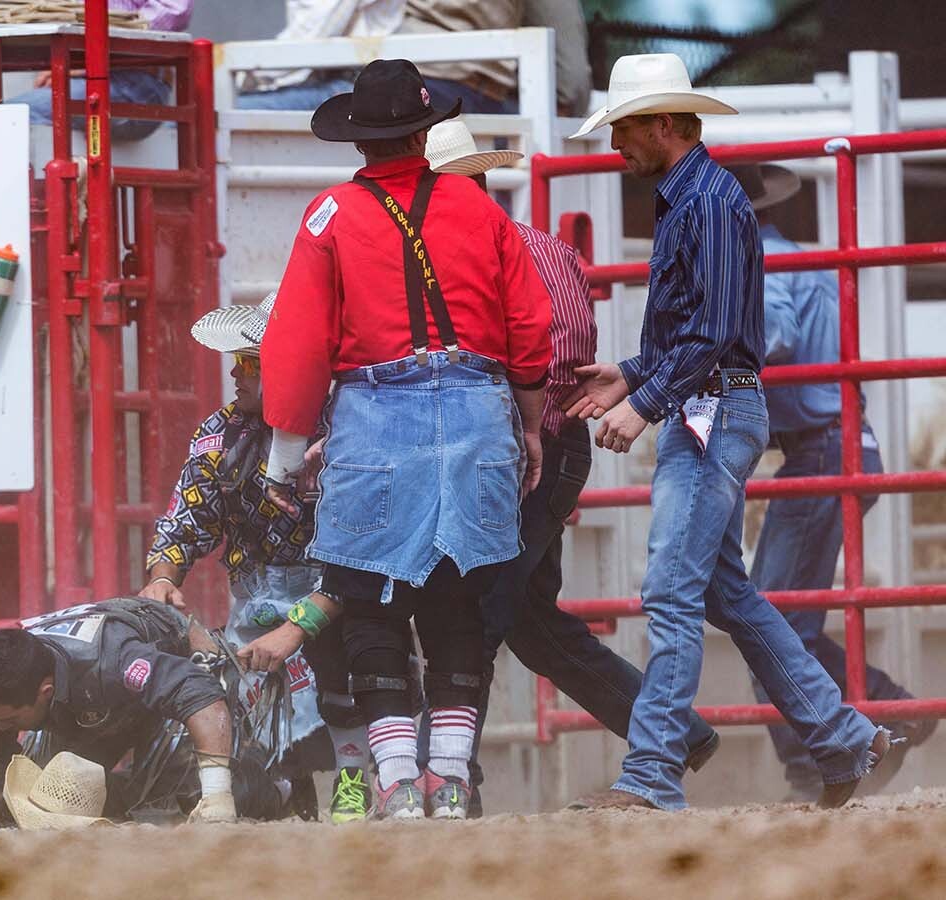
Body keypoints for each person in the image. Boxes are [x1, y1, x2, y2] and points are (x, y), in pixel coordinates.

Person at [563, 53, 886, 811]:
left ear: (664, 124)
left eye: (626, 129)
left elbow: (709, 332)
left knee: (671, 593)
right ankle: (843, 737)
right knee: (721, 591)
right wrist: (633, 374)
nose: (618, 145)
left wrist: (643, 398)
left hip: (708, 408)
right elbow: (709, 330)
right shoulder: (703, 198)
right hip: (716, 405)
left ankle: (650, 776)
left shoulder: (700, 205)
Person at [259, 59, 553, 821]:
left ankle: (394, 778)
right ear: (426, 132)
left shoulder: (329, 216)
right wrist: (526, 423)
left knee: (371, 601)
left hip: (375, 415)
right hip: (479, 410)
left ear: (358, 141)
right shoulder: (481, 212)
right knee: (460, 600)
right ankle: (449, 777)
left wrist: (285, 458)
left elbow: (296, 345)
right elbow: (528, 325)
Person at [725, 162, 936, 801]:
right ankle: (889, 712)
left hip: (820, 450)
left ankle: (824, 760)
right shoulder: (791, 254)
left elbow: (779, 333)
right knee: (789, 620)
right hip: (833, 444)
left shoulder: (759, 257)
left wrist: (710, 353)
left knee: (771, 621)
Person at [141, 293, 373, 824]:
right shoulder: (219, 437)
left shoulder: (343, 431)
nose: (236, 375)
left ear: (292, 369)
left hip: (336, 594)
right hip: (257, 599)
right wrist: (162, 577)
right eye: (237, 362)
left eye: (250, 364)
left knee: (341, 683)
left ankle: (353, 784)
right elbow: (184, 521)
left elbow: (364, 543)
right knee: (249, 689)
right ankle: (286, 789)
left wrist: (310, 615)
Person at [0, 598, 272, 828]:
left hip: (169, 672)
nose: (2, 727)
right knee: (41, 801)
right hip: (86, 709)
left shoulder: (115, 660)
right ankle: (121, 794)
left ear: (44, 694)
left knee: (191, 800)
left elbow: (199, 695)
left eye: (11, 721)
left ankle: (272, 783)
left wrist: (217, 795)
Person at [236, 0, 590, 116]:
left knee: (233, 114)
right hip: (483, 103)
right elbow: (571, 81)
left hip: (394, 86)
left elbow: (323, 22)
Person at [5, 0, 192, 141]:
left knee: (11, 115)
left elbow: (173, 11)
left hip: (133, 83)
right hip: (92, 81)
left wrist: (88, 59)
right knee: (7, 114)